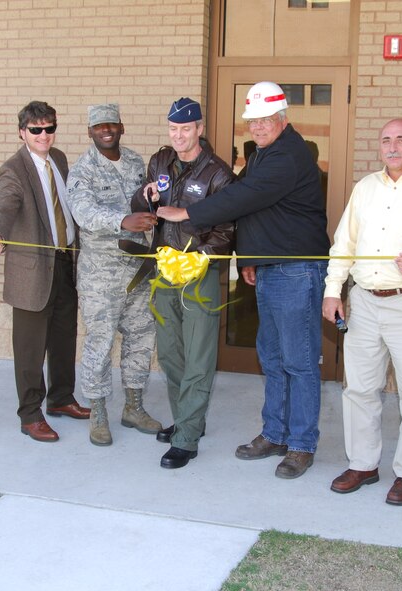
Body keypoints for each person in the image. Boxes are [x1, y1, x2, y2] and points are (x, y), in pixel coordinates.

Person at [157, 81, 332, 480]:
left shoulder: (288, 155)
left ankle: (301, 444)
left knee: (299, 362)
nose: (258, 126)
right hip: (272, 270)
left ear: (283, 118)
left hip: (296, 271)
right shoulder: (265, 154)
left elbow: (245, 198)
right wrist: (251, 259)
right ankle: (275, 433)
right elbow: (258, 214)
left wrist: (187, 214)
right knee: (272, 358)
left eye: (266, 119)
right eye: (253, 120)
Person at [322, 118, 402, 505]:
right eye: (386, 140)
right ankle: (363, 464)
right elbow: (343, 244)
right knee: (360, 388)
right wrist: (333, 292)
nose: (393, 147)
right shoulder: (365, 188)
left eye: (401, 140)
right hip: (363, 301)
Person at [130, 97, 234, 469]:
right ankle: (188, 418)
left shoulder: (218, 173)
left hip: (198, 275)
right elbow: (142, 206)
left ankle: (187, 437)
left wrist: (198, 257)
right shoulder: (160, 161)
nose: (178, 136)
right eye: (173, 129)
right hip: (163, 269)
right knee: (171, 352)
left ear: (200, 130)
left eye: (185, 129)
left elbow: (226, 228)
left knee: (199, 357)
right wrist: (145, 197)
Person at [0, 101, 90, 443]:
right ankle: (30, 415)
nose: (44, 135)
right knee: (30, 349)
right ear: (22, 132)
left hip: (64, 263)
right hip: (32, 270)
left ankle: (61, 399)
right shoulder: (13, 169)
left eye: (49, 128)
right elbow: (5, 203)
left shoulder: (58, 159)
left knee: (64, 338)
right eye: (36, 130)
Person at [66, 103, 161, 447]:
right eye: (98, 126)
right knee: (99, 344)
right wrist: (123, 221)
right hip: (100, 276)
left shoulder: (137, 163)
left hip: (139, 272)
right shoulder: (83, 169)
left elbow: (150, 200)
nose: (106, 130)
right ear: (90, 132)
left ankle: (133, 407)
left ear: (121, 126)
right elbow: (83, 212)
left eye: (111, 124)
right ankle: (98, 411)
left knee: (141, 338)